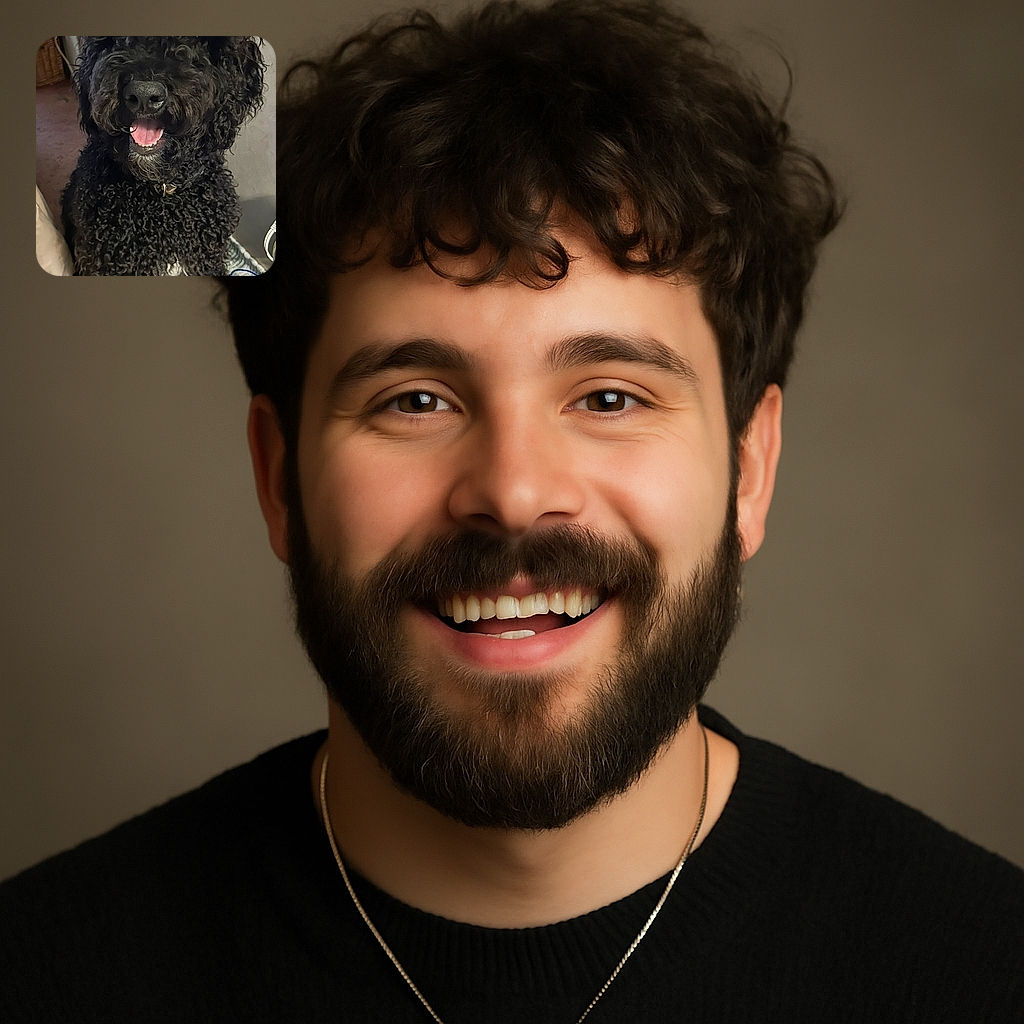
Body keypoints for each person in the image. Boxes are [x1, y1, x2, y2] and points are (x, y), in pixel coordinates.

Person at [3, 1, 1022, 1020]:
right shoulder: (45, 975)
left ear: (750, 470)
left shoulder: (981, 969)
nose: (515, 490)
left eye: (610, 397)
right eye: (415, 400)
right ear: (280, 480)